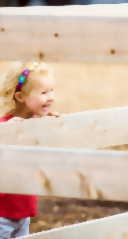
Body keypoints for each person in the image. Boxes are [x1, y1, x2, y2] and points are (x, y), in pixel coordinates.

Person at [0, 61, 57, 238]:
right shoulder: (5, 127)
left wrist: (54, 125)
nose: (51, 97)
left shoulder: (36, 125)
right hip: (2, 212)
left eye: (52, 91)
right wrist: (11, 132)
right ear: (20, 97)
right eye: (43, 92)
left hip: (22, 211)